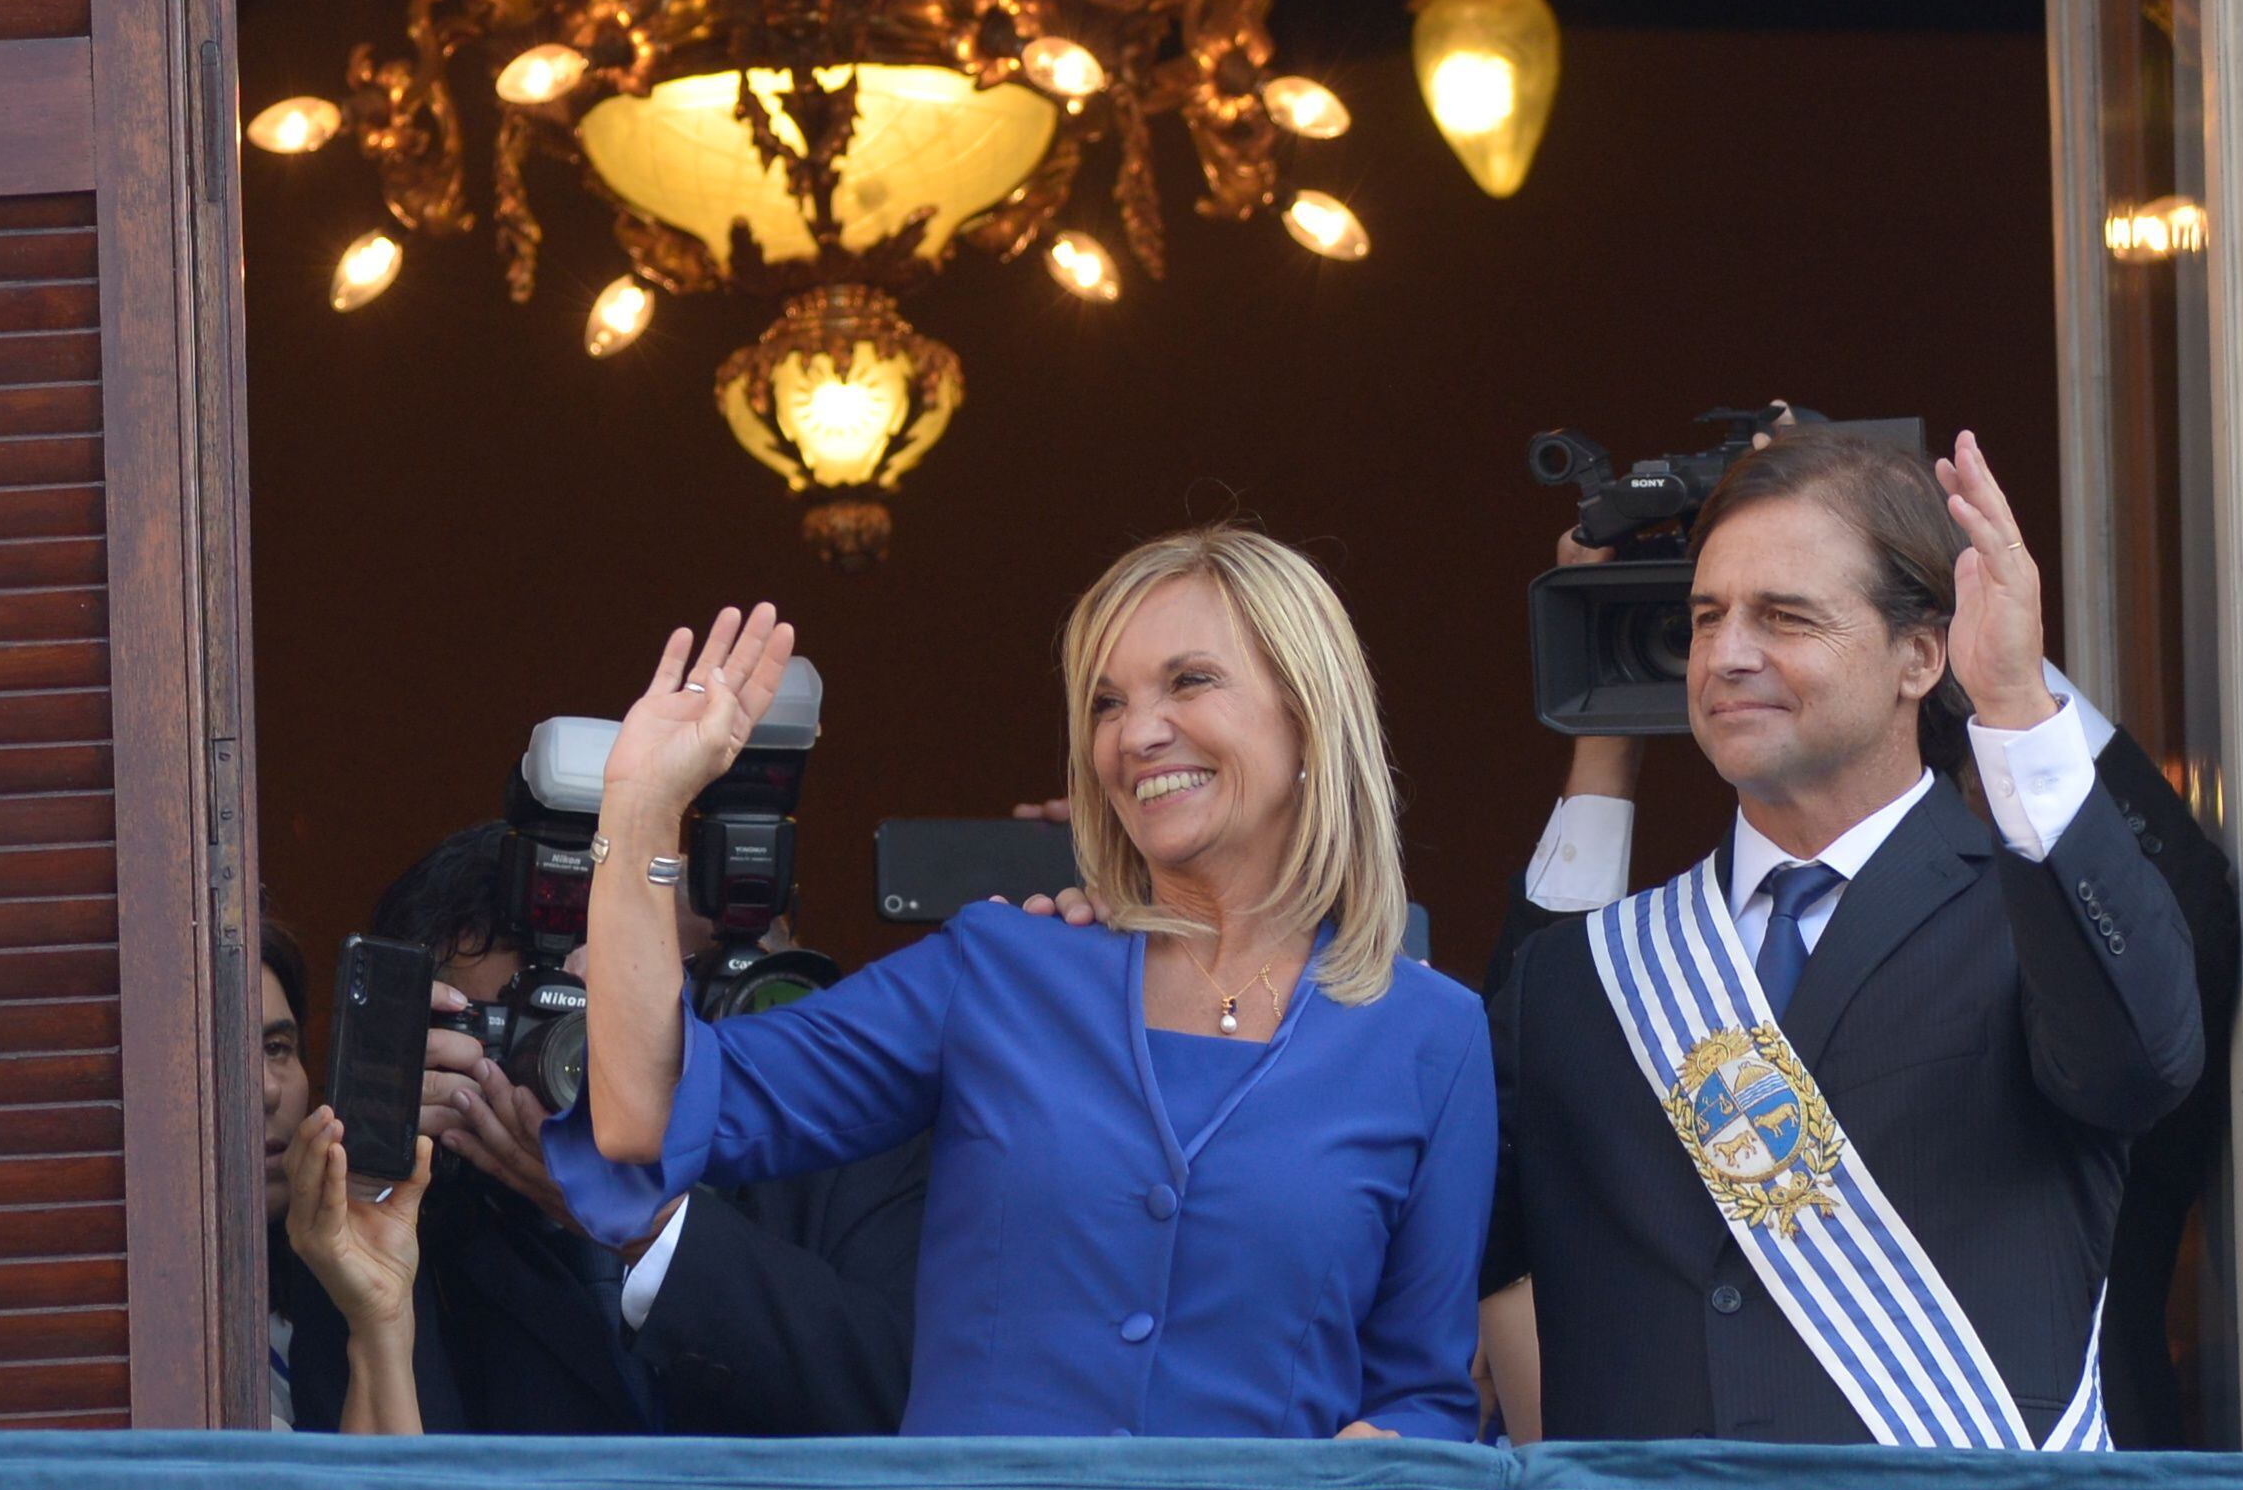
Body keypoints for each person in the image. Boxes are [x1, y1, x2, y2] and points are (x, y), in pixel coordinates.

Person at [569, 531, 1494, 1441]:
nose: (1135, 734)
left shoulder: (1430, 1035)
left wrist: (1379, 1454)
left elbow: (1422, 1391)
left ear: (1306, 713)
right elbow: (646, 1109)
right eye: (1103, 703)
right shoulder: (1003, 967)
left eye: (1189, 680)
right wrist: (643, 804)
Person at [1481, 427, 2204, 1448]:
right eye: (1704, 617)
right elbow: (1433, 1239)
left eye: (1783, 616)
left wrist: (2013, 704)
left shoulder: (2033, 919)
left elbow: (2143, 1060)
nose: (1728, 652)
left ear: (1920, 654)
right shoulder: (1583, 977)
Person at [370, 827, 928, 1434]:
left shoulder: (847, 1141)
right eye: (532, 1023)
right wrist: (381, 1163)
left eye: (619, 1010)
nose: (588, 1069)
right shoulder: (414, 1212)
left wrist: (659, 1232)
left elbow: (908, 1410)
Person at [256, 923, 431, 1435]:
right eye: (218, 1044)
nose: (269, 1090)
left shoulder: (315, 1291)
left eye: (277, 1047)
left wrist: (380, 1317)